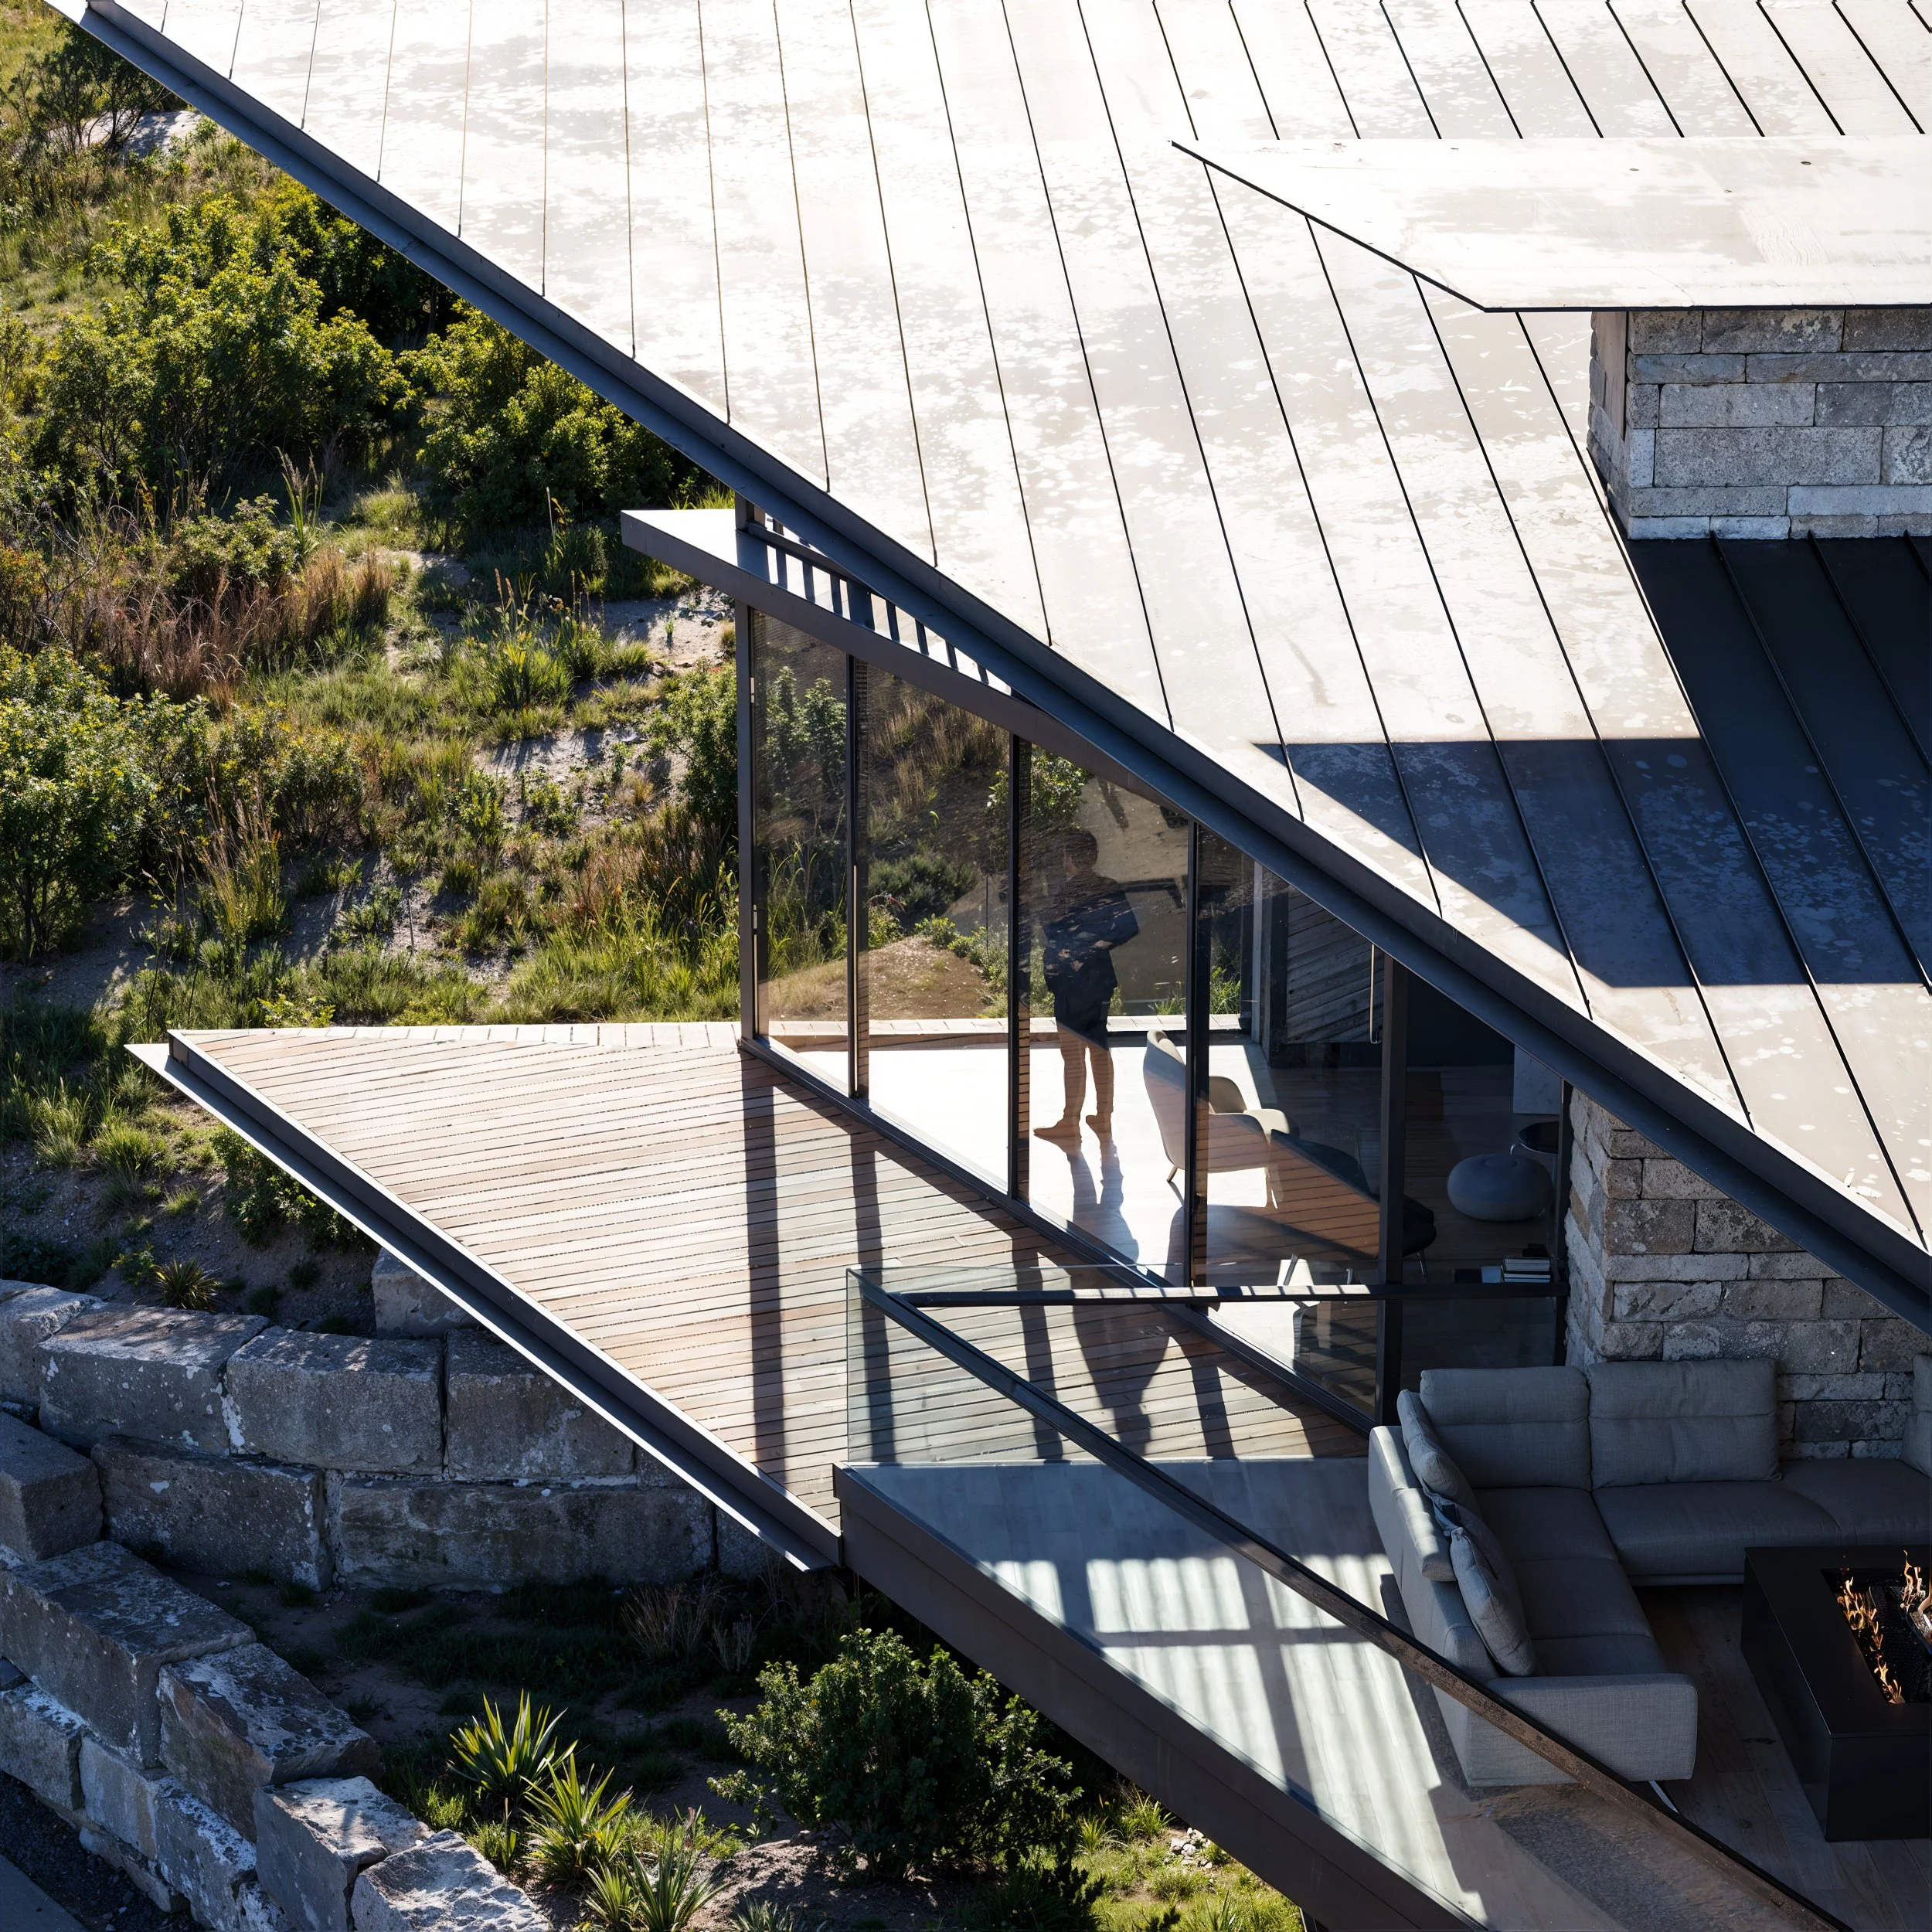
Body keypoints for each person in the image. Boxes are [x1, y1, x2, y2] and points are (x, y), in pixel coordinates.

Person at [1036, 827, 1138, 1143]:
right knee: (1098, 1046)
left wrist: (1080, 953)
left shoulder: (1070, 891)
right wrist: (1096, 947)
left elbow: (1052, 930)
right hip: (1100, 980)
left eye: (1065, 853)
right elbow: (1128, 928)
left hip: (1072, 982)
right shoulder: (1109, 887)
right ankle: (1103, 1116)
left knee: (1072, 1052)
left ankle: (1070, 1121)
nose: (1063, 859)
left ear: (1070, 856)